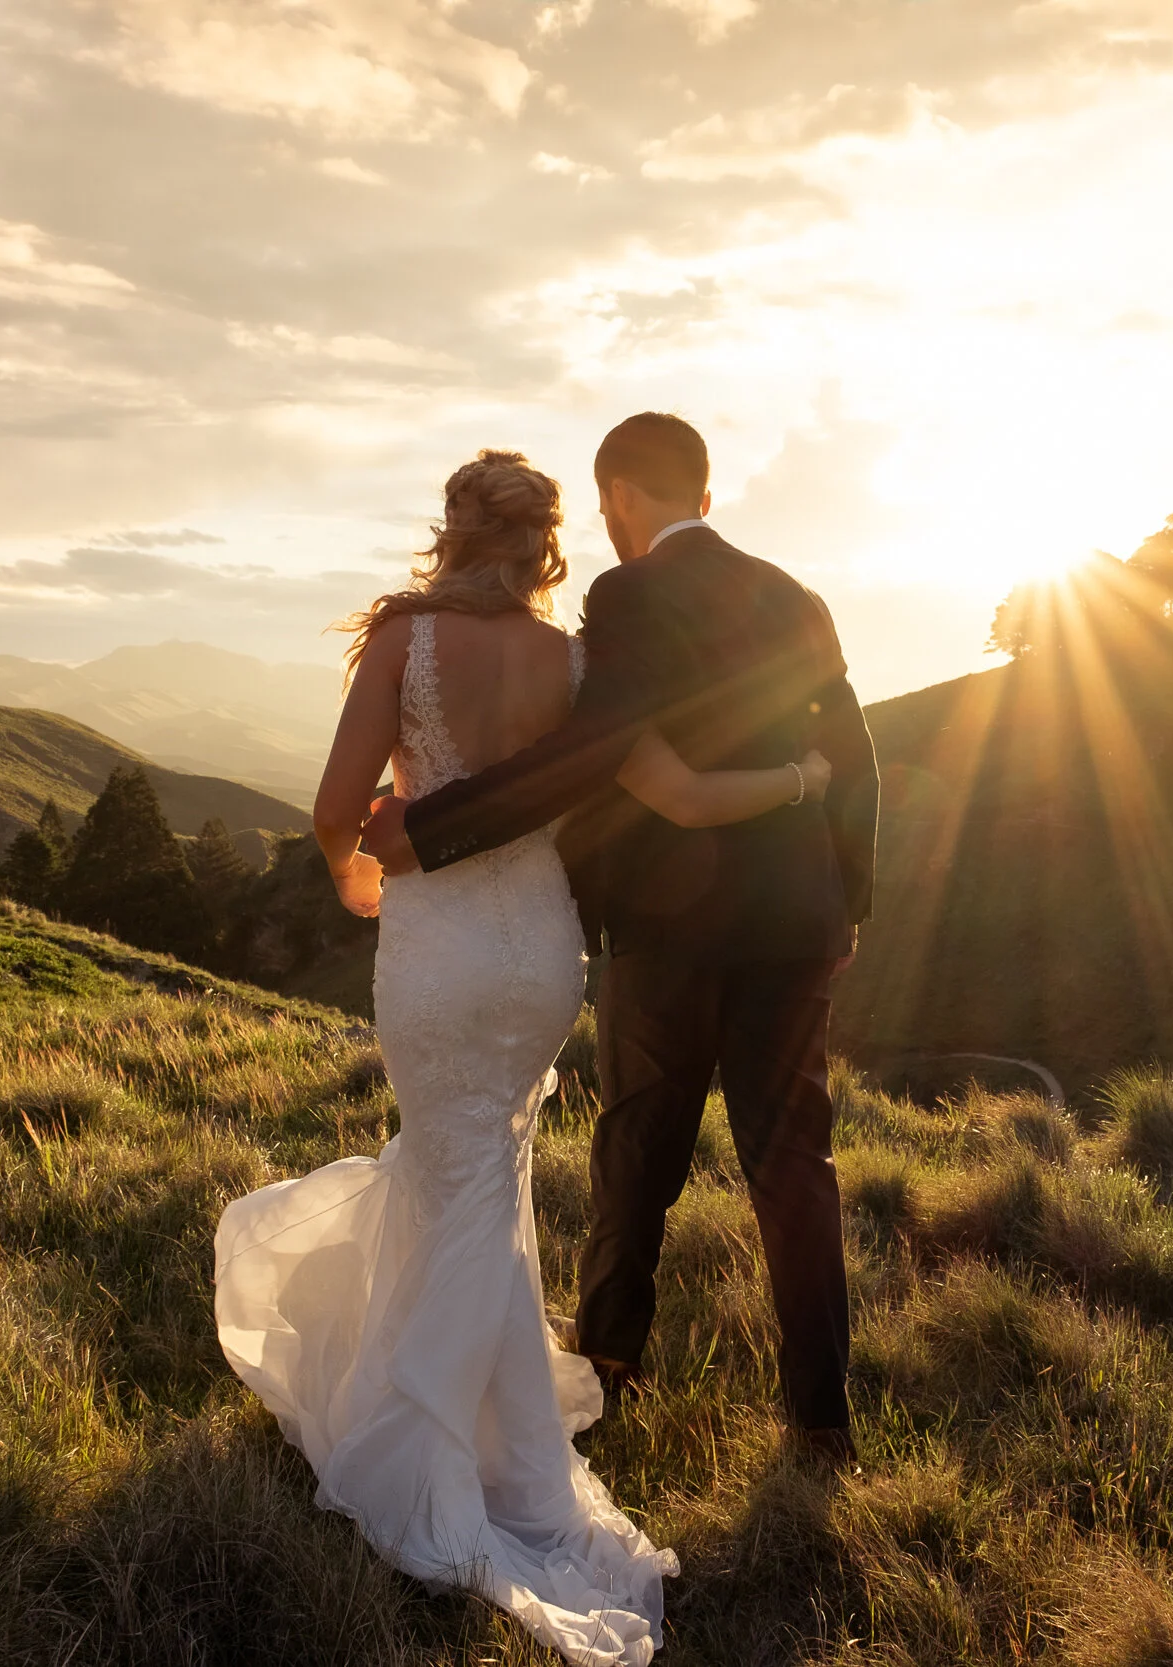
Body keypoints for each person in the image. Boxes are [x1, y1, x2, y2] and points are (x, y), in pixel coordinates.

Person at [213, 448, 831, 1667]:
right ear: (550, 539)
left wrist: (354, 876)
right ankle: (518, 1462)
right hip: (543, 952)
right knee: (482, 1180)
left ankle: (445, 1464)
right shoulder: (581, 663)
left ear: (450, 529)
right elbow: (685, 796)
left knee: (460, 1174)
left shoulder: (406, 636)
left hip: (441, 951)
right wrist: (805, 775)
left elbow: (339, 802)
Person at [361, 412, 880, 1470]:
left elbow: (593, 753)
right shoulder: (797, 596)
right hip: (795, 924)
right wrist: (849, 906)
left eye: (607, 511)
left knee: (640, 1150)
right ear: (703, 488)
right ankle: (822, 1420)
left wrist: (431, 830)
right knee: (795, 1166)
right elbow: (852, 753)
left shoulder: (630, 594)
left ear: (621, 497)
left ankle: (606, 1372)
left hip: (671, 924)